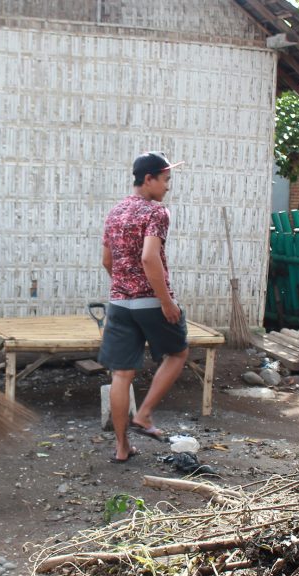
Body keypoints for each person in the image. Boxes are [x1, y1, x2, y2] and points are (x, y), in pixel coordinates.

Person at [98, 151, 188, 464]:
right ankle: (145, 415)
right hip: (152, 300)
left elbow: (107, 260)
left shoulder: (115, 212)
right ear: (148, 179)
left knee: (121, 375)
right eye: (164, 180)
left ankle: (122, 448)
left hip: (120, 303)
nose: (167, 187)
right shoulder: (156, 212)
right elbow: (150, 258)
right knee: (178, 353)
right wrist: (166, 301)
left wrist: (124, 286)